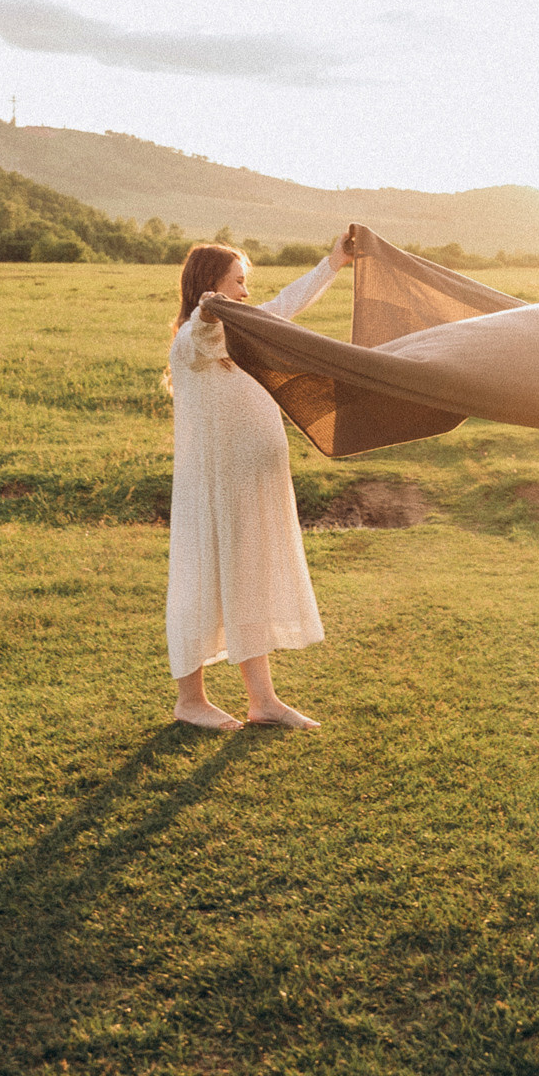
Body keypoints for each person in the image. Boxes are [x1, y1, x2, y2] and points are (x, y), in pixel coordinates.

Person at [164, 230, 355, 731]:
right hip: (212, 491)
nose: (246, 294)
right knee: (200, 582)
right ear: (211, 286)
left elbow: (286, 304)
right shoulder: (193, 341)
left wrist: (332, 262)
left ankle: (263, 701)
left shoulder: (245, 332)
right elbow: (201, 335)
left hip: (250, 486)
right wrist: (208, 312)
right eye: (238, 283)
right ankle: (190, 702)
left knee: (249, 579)